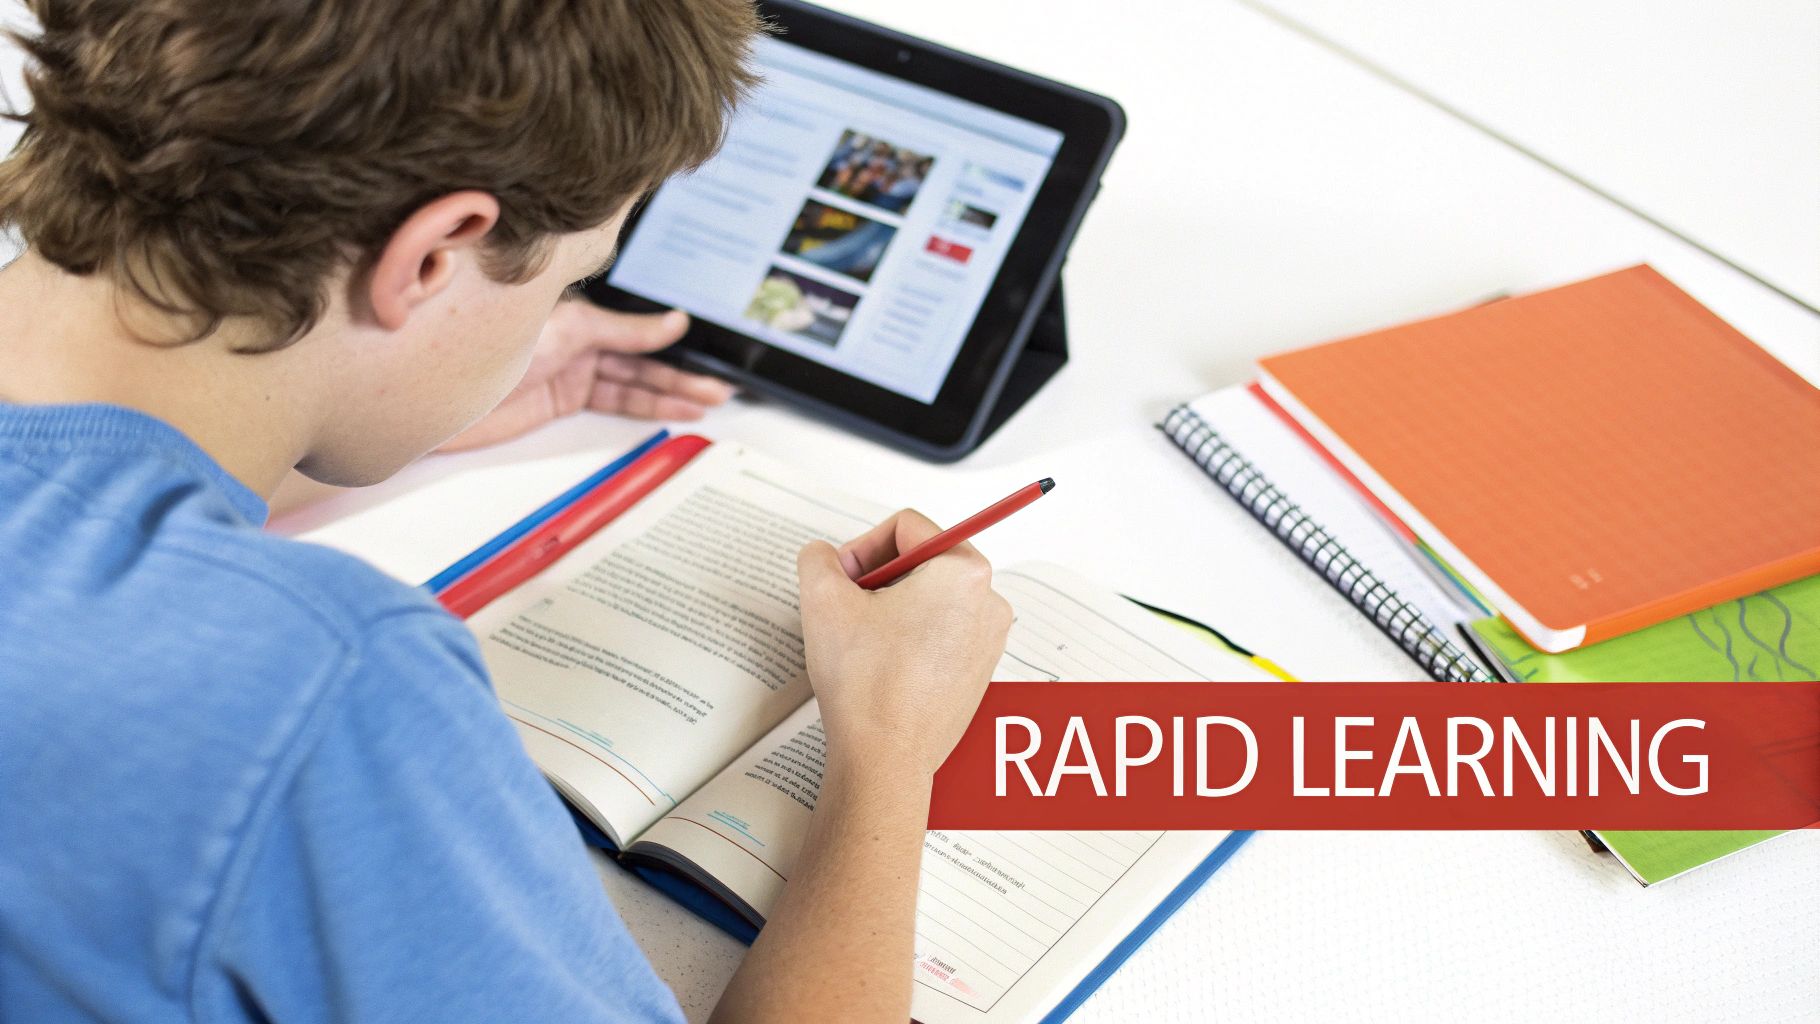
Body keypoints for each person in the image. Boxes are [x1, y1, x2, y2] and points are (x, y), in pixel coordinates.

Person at [0, 2, 1013, 1023]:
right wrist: (885, 747)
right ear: (435, 255)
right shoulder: (326, 684)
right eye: (569, 279)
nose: (541, 330)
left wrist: (372, 401)